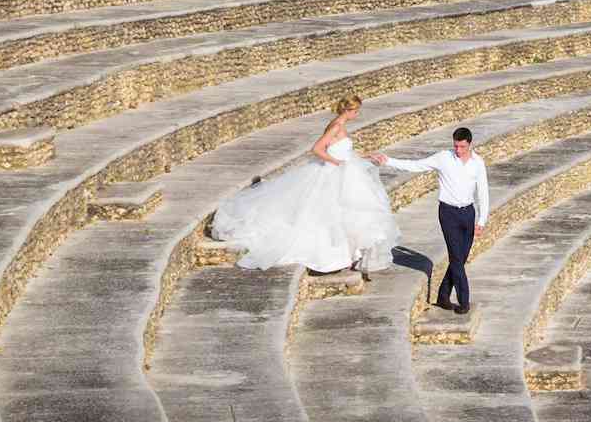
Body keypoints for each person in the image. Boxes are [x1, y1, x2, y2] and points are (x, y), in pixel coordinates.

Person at [210, 96, 401, 276]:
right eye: (356, 111)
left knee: (342, 214)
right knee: (327, 214)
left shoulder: (340, 125)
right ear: (350, 110)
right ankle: (335, 255)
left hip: (342, 172)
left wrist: (365, 157)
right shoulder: (335, 126)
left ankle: (347, 255)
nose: (357, 114)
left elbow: (344, 150)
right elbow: (317, 149)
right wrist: (335, 162)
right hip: (331, 173)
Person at [374, 126, 491, 314]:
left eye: (462, 147)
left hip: (468, 213)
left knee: (460, 258)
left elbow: (483, 192)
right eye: (456, 147)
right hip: (448, 213)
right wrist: (388, 161)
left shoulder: (478, 163)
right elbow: (415, 165)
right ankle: (464, 301)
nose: (458, 151)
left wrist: (482, 220)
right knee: (456, 257)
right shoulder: (443, 158)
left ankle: (443, 296)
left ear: (470, 144)